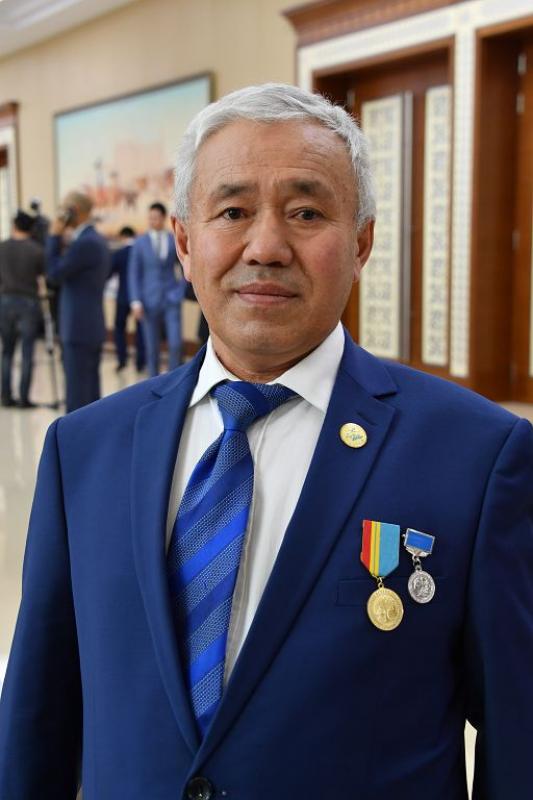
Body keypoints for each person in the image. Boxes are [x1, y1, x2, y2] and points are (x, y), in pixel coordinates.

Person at [0, 84, 531, 800]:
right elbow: (37, 722)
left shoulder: (477, 456)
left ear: (361, 243)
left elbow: (519, 738)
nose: (267, 247)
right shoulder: (84, 450)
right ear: (185, 243)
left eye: (306, 213)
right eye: (232, 212)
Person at [45, 191, 110, 413]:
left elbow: (53, 274)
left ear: (75, 211)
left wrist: (53, 236)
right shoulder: (95, 239)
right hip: (89, 325)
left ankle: (76, 436)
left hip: (78, 327)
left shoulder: (84, 243)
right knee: (89, 393)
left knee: (77, 396)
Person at [128, 201, 187, 376]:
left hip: (171, 299)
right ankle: (154, 382)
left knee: (175, 344)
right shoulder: (140, 243)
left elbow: (185, 266)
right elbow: (133, 273)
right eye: (150, 218)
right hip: (148, 300)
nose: (152, 221)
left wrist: (180, 291)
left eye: (156, 217)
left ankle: (174, 381)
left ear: (163, 218)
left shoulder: (173, 239)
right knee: (152, 347)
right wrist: (135, 301)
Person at [0, 210, 44, 408]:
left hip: (5, 300)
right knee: (27, 352)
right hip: (29, 302)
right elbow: (44, 277)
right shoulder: (37, 250)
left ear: (14, 226)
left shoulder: (2, 247)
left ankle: (5, 396)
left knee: (7, 351)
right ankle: (24, 398)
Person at [110, 225, 146, 372]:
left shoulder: (119, 253)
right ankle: (140, 363)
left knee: (119, 328)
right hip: (139, 297)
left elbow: (109, 273)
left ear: (122, 236)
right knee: (140, 330)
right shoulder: (141, 252)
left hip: (122, 297)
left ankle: (122, 360)